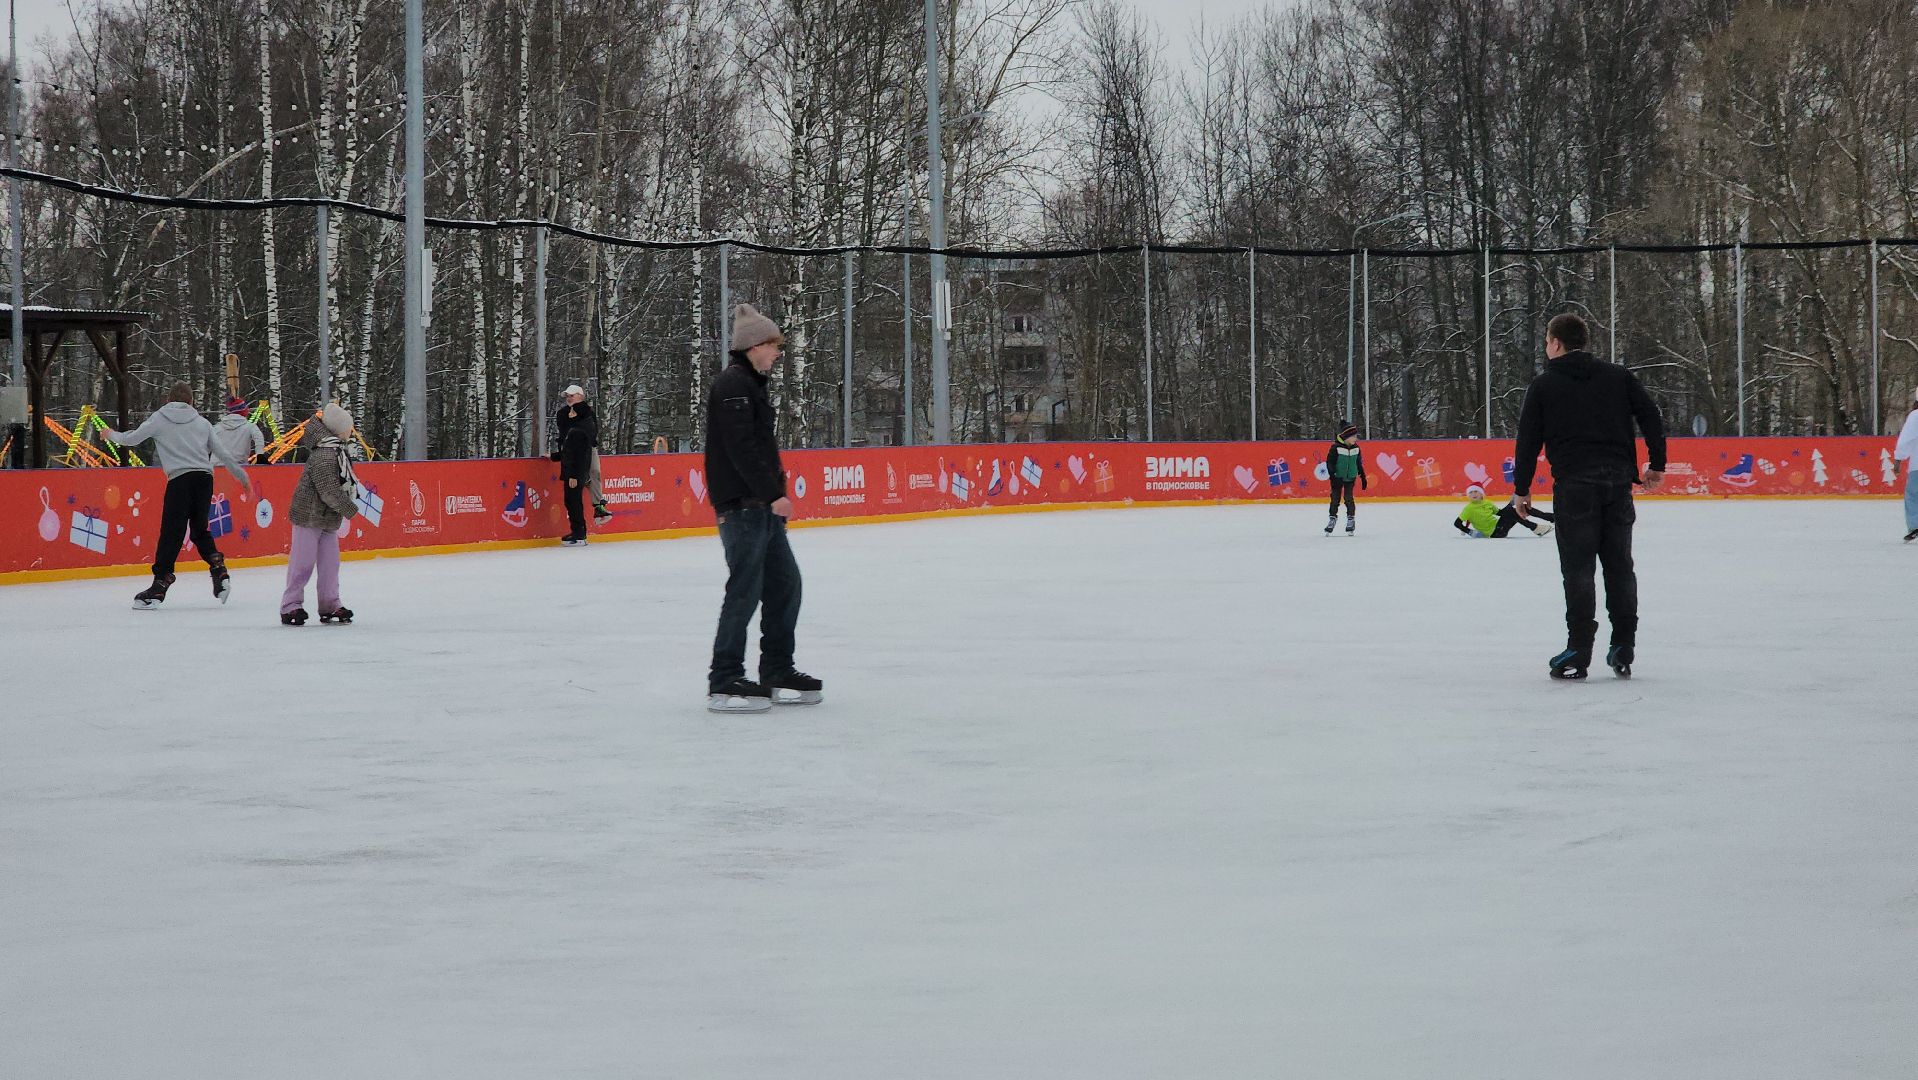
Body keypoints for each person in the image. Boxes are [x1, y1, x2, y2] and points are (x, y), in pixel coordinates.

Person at [1513, 312, 1667, 679]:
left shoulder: (1544, 385)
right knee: (1619, 566)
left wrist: (1522, 488)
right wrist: (1656, 464)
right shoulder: (1617, 376)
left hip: (1574, 488)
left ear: (1555, 344)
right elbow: (1650, 414)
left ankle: (1579, 649)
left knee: (1578, 570)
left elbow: (1528, 440)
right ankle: (1624, 643)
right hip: (1617, 485)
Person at [703, 304, 822, 713]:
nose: (777, 354)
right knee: (745, 590)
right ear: (754, 345)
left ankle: (776, 668)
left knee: (785, 585)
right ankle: (724, 678)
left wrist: (772, 498)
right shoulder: (734, 386)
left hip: (761, 509)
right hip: (744, 507)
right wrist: (774, 495)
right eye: (773, 346)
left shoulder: (750, 385)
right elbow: (742, 450)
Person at [106, 383, 255, 609]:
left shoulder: (160, 418)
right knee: (199, 529)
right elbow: (223, 454)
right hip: (204, 479)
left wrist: (110, 434)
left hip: (179, 481)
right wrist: (243, 478)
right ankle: (219, 570)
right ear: (191, 401)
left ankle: (160, 584)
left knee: (171, 533)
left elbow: (132, 439)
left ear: (168, 400)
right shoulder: (202, 423)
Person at [281, 403, 360, 625]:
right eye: (348, 428)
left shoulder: (336, 451)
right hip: (309, 515)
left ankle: (330, 603)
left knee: (330, 564)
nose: (350, 432)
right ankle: (290, 605)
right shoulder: (325, 454)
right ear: (338, 430)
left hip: (327, 517)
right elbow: (328, 490)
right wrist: (350, 509)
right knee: (302, 563)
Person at [553, 385, 612, 525]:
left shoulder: (587, 411)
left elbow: (592, 430)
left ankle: (598, 505)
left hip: (588, 447)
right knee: (583, 478)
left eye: (571, 396)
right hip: (573, 450)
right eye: (567, 396)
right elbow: (565, 434)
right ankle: (593, 504)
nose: (569, 398)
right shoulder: (562, 414)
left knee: (595, 471)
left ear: (580, 396)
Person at [1454, 483, 1555, 538]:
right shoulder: (1468, 509)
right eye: (1470, 492)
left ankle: (1552, 517)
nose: (1473, 494)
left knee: (1521, 507)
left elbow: (1501, 513)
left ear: (1481, 494)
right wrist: (1470, 532)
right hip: (1494, 534)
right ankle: (1535, 528)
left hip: (1500, 527)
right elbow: (1457, 523)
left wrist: (1510, 504)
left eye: (1476, 491)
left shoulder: (1487, 503)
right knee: (1513, 511)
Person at [558, 403, 595, 545]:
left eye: (573, 411)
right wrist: (554, 456)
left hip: (575, 474)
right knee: (571, 502)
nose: (570, 413)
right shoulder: (575, 429)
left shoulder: (579, 432)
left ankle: (579, 533)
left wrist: (573, 475)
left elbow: (579, 456)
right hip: (574, 473)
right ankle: (578, 532)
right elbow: (568, 453)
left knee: (574, 503)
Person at [1323, 420, 1368, 535]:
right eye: (1353, 436)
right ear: (1346, 437)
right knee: (1335, 500)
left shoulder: (1356, 449)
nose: (1355, 439)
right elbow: (1329, 463)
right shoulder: (1335, 448)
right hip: (1337, 478)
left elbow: (1358, 463)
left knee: (1349, 499)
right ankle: (1332, 518)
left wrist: (1362, 476)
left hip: (1350, 478)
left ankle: (1350, 519)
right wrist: (1333, 476)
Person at [1894, 387, 1918, 543]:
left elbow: (1906, 439)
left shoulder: (1915, 416)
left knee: (1913, 495)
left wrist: (1898, 459)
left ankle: (1915, 525)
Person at [212, 395, 265, 465]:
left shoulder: (218, 427)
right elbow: (259, 438)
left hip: (216, 467)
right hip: (239, 466)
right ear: (244, 411)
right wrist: (260, 455)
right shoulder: (249, 427)